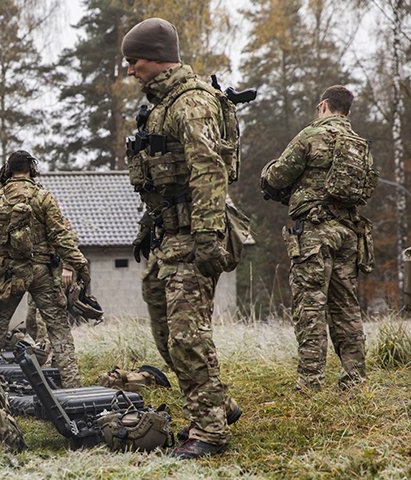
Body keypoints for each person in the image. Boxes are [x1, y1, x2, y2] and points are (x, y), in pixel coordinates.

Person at [122, 18, 241, 459]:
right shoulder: (161, 104)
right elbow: (160, 182)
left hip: (194, 237)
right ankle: (218, 404)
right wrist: (147, 230)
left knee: (187, 337)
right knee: (163, 328)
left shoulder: (190, 104)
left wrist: (208, 236)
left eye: (133, 61)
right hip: (168, 236)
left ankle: (209, 433)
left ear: (155, 57)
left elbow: (208, 171)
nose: (130, 70)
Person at [261, 85, 376, 393]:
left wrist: (269, 173)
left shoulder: (311, 136)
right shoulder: (359, 144)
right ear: (348, 111)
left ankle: (310, 383)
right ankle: (355, 379)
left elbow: (277, 177)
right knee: (346, 307)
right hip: (349, 233)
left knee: (310, 305)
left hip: (314, 233)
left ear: (324, 106)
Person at [0, 150, 90, 388]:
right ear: (32, 168)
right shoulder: (44, 197)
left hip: (10, 273)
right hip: (42, 271)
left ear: (8, 170)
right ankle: (72, 386)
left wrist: (4, 181)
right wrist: (79, 264)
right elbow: (61, 236)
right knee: (58, 328)